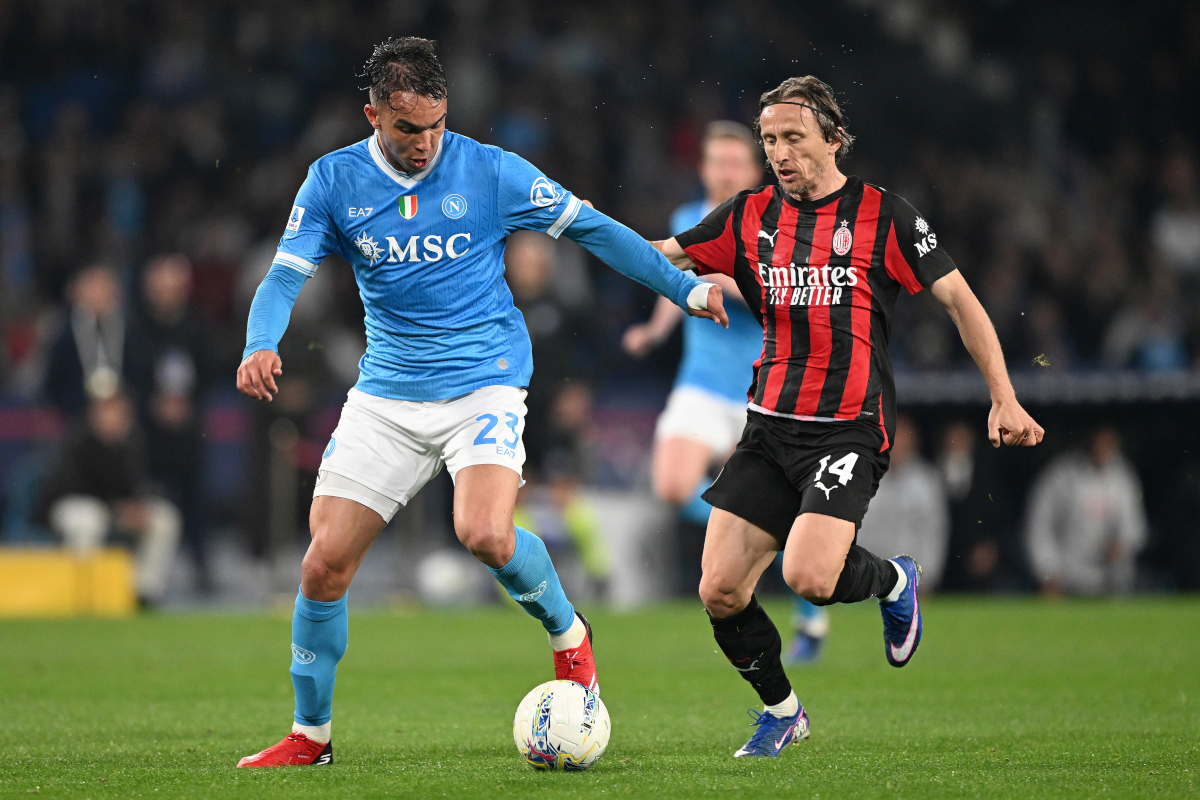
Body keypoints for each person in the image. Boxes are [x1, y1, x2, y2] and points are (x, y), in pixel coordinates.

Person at [233, 37, 728, 768]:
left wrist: (682, 287)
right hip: (388, 394)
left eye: (436, 125)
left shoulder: (490, 170)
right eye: (407, 129)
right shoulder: (332, 180)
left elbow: (594, 229)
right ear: (372, 114)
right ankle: (312, 736)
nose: (425, 143)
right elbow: (283, 276)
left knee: (486, 535)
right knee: (322, 567)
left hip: (485, 380)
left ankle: (570, 636)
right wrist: (259, 342)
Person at [652, 76, 1044, 757]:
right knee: (719, 589)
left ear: (834, 139)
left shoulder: (884, 215)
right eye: (769, 140)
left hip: (849, 427)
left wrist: (1004, 395)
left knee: (809, 576)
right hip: (770, 425)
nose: (779, 152)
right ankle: (782, 712)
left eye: (793, 138)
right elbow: (661, 256)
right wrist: (575, 227)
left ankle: (894, 579)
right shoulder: (747, 216)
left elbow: (960, 300)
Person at [622, 121, 829, 662]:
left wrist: (715, 284)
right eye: (718, 161)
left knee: (786, 505)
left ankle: (810, 616)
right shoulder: (686, 220)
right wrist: (655, 329)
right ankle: (750, 518)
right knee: (670, 486)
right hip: (702, 383)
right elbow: (675, 281)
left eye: (737, 162)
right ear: (704, 168)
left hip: (767, 388)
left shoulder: (780, 224)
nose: (726, 171)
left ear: (755, 171)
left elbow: (773, 295)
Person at [36, 389, 182, 606]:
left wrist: (138, 506)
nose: (112, 416)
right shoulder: (79, 438)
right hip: (69, 509)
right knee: (88, 520)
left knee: (165, 518)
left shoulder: (133, 441)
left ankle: (142, 593)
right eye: (106, 410)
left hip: (112, 512)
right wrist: (117, 508)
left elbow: (142, 483)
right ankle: (83, 596)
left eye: (118, 411)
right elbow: (70, 487)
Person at [1025, 425, 1146, 595]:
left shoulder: (1123, 476)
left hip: (1111, 583)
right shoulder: (1061, 475)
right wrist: (1048, 572)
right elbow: (1039, 527)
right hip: (1067, 579)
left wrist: (1121, 545)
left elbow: (1135, 527)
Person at [855, 415, 949, 591]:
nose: (896, 445)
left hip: (912, 579)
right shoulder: (864, 477)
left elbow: (934, 533)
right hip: (867, 580)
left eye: (901, 439)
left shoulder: (927, 481)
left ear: (913, 442)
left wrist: (927, 578)